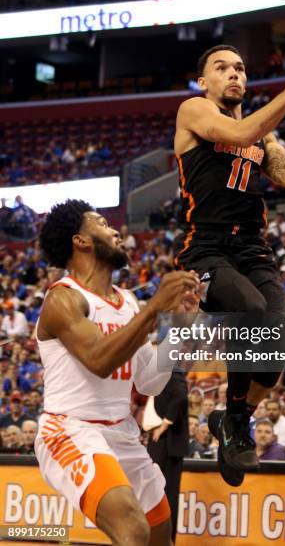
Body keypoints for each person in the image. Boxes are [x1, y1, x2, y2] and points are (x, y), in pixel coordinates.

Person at [173, 44, 285, 484]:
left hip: (254, 249)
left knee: (278, 342)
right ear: (204, 81)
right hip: (208, 247)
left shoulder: (263, 134)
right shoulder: (194, 110)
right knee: (252, 313)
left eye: (240, 67)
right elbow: (236, 136)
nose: (234, 74)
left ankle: (232, 417)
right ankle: (236, 425)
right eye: (221, 68)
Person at [35, 199, 201, 546]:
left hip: (121, 434)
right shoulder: (63, 299)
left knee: (159, 538)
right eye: (101, 223)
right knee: (132, 529)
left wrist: (181, 327)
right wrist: (155, 308)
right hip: (69, 430)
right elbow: (98, 359)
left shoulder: (126, 302)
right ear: (80, 240)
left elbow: (148, 382)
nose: (116, 231)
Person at [147, 370, 188, 542]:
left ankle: (166, 540)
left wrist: (165, 424)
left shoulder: (174, 373)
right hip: (157, 440)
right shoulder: (155, 375)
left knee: (166, 493)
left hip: (167, 441)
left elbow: (180, 397)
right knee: (153, 492)